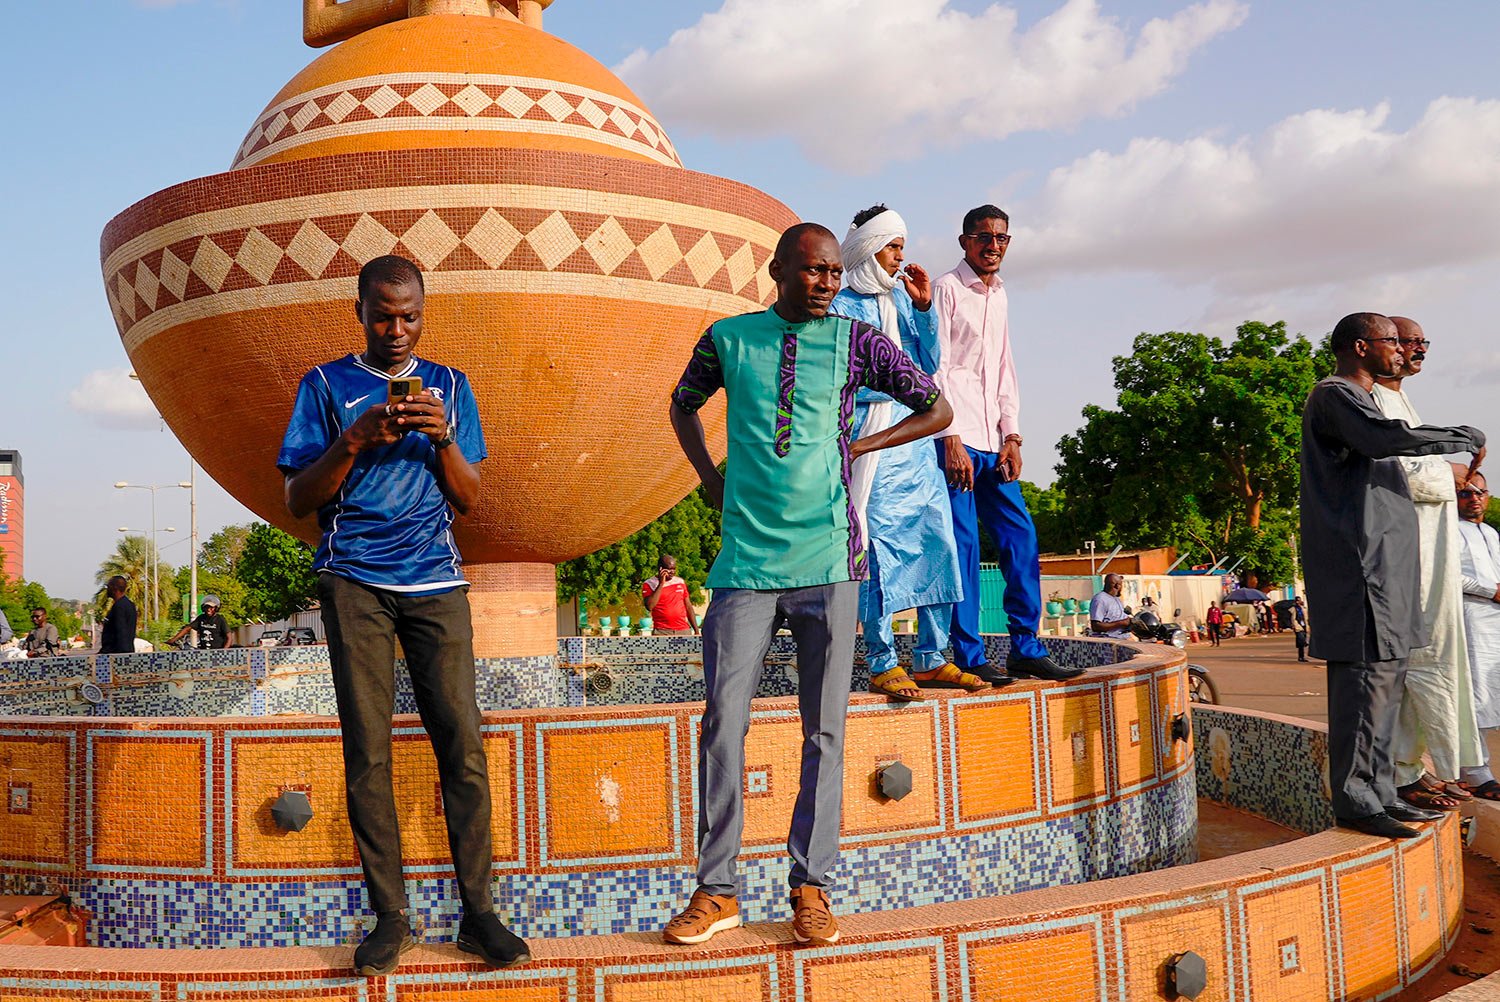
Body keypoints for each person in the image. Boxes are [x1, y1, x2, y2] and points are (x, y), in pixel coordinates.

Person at [664, 222, 953, 948]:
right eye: (813, 271)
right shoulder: (729, 338)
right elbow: (682, 404)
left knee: (824, 732)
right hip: (744, 569)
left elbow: (936, 407)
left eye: (832, 272)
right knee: (722, 724)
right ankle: (716, 890)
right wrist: (707, 479)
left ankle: (810, 886)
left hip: (832, 563)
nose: (826, 282)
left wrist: (863, 443)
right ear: (778, 270)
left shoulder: (857, 342)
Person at [277, 254, 528, 975]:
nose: (396, 329)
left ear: (423, 312)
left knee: (464, 748)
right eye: (382, 315)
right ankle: (392, 918)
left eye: (409, 315)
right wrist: (354, 440)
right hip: (353, 581)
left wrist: (443, 436)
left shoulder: (449, 386)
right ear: (359, 311)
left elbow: (470, 500)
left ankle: (479, 916)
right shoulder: (325, 385)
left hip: (434, 582)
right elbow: (299, 499)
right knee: (369, 753)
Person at [1299, 311, 1485, 839]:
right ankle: (1357, 802)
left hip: (1389, 565)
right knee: (1362, 686)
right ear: (1360, 346)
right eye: (1393, 343)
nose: (1403, 351)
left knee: (1385, 686)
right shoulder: (1335, 395)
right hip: (1361, 566)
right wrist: (1457, 436)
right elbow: (1384, 439)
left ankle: (1381, 793)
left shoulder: (1368, 397)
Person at [830, 204, 976, 700]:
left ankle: (934, 658)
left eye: (901, 247)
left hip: (915, 441)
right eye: (892, 247)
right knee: (878, 549)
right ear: (870, 249)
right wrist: (895, 389)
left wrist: (922, 307)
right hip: (873, 441)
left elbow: (930, 363)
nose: (900, 257)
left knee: (937, 540)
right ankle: (882, 659)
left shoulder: (900, 301)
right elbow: (847, 378)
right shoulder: (842, 306)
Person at [934, 205, 1080, 684]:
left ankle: (1026, 647)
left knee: (1021, 538)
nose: (992, 245)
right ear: (964, 242)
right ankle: (970, 654)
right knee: (964, 547)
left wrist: (1012, 434)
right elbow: (934, 365)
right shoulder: (946, 289)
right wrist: (948, 436)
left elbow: (1003, 369)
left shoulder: (1000, 295)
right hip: (955, 439)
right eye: (982, 237)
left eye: (1000, 238)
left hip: (994, 443)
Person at [1371, 317, 1485, 812]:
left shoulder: (1401, 402)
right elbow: (1389, 471)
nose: (1413, 351)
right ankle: (1399, 774)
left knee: (1434, 657)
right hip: (1402, 553)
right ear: (1369, 346)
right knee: (1414, 661)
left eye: (1419, 342)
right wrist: (1449, 471)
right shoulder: (1362, 401)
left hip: (1429, 548)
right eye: (1402, 341)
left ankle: (1416, 767)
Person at [1455, 469, 1500, 800]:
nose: (1474, 499)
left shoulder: (1491, 533)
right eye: (1466, 493)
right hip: (1470, 615)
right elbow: (1448, 576)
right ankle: (1477, 774)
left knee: (1492, 690)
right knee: (1476, 696)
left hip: (1494, 616)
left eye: (1480, 492)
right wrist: (1490, 591)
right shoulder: (1448, 531)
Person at [642, 555, 695, 635]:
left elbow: (688, 607)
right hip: (662, 631)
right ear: (660, 568)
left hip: (683, 630)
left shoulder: (680, 582)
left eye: (674, 569)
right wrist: (661, 583)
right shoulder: (649, 584)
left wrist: (696, 631)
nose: (672, 572)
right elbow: (649, 606)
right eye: (669, 569)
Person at [99, 575, 138, 655]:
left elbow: (121, 631)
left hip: (116, 655)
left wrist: (120, 656)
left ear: (114, 588)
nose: (107, 589)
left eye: (108, 586)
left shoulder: (119, 607)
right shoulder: (129, 604)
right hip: (126, 652)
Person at [1089, 574, 1132, 639]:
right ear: (1117, 586)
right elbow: (1096, 626)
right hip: (1108, 641)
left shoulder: (1116, 599)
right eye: (1121, 584)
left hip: (1122, 639)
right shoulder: (1100, 599)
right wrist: (1121, 623)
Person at [1291, 597, 1310, 662]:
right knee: (1301, 640)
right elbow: (1293, 619)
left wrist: (1307, 626)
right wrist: (1295, 626)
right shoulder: (1294, 609)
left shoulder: (1303, 608)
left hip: (1304, 626)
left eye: (1299, 600)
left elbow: (1306, 617)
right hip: (1298, 627)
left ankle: (1301, 657)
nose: (1298, 602)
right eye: (1297, 601)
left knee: (1300, 644)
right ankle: (1304, 644)